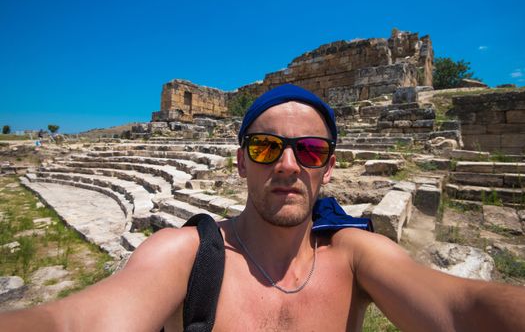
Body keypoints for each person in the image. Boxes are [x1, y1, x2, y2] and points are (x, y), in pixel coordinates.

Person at [1, 84, 524, 331]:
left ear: (330, 166)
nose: (289, 165)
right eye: (265, 147)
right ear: (240, 163)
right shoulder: (184, 256)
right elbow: (77, 323)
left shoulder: (357, 256)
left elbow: (463, 308)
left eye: (311, 150)